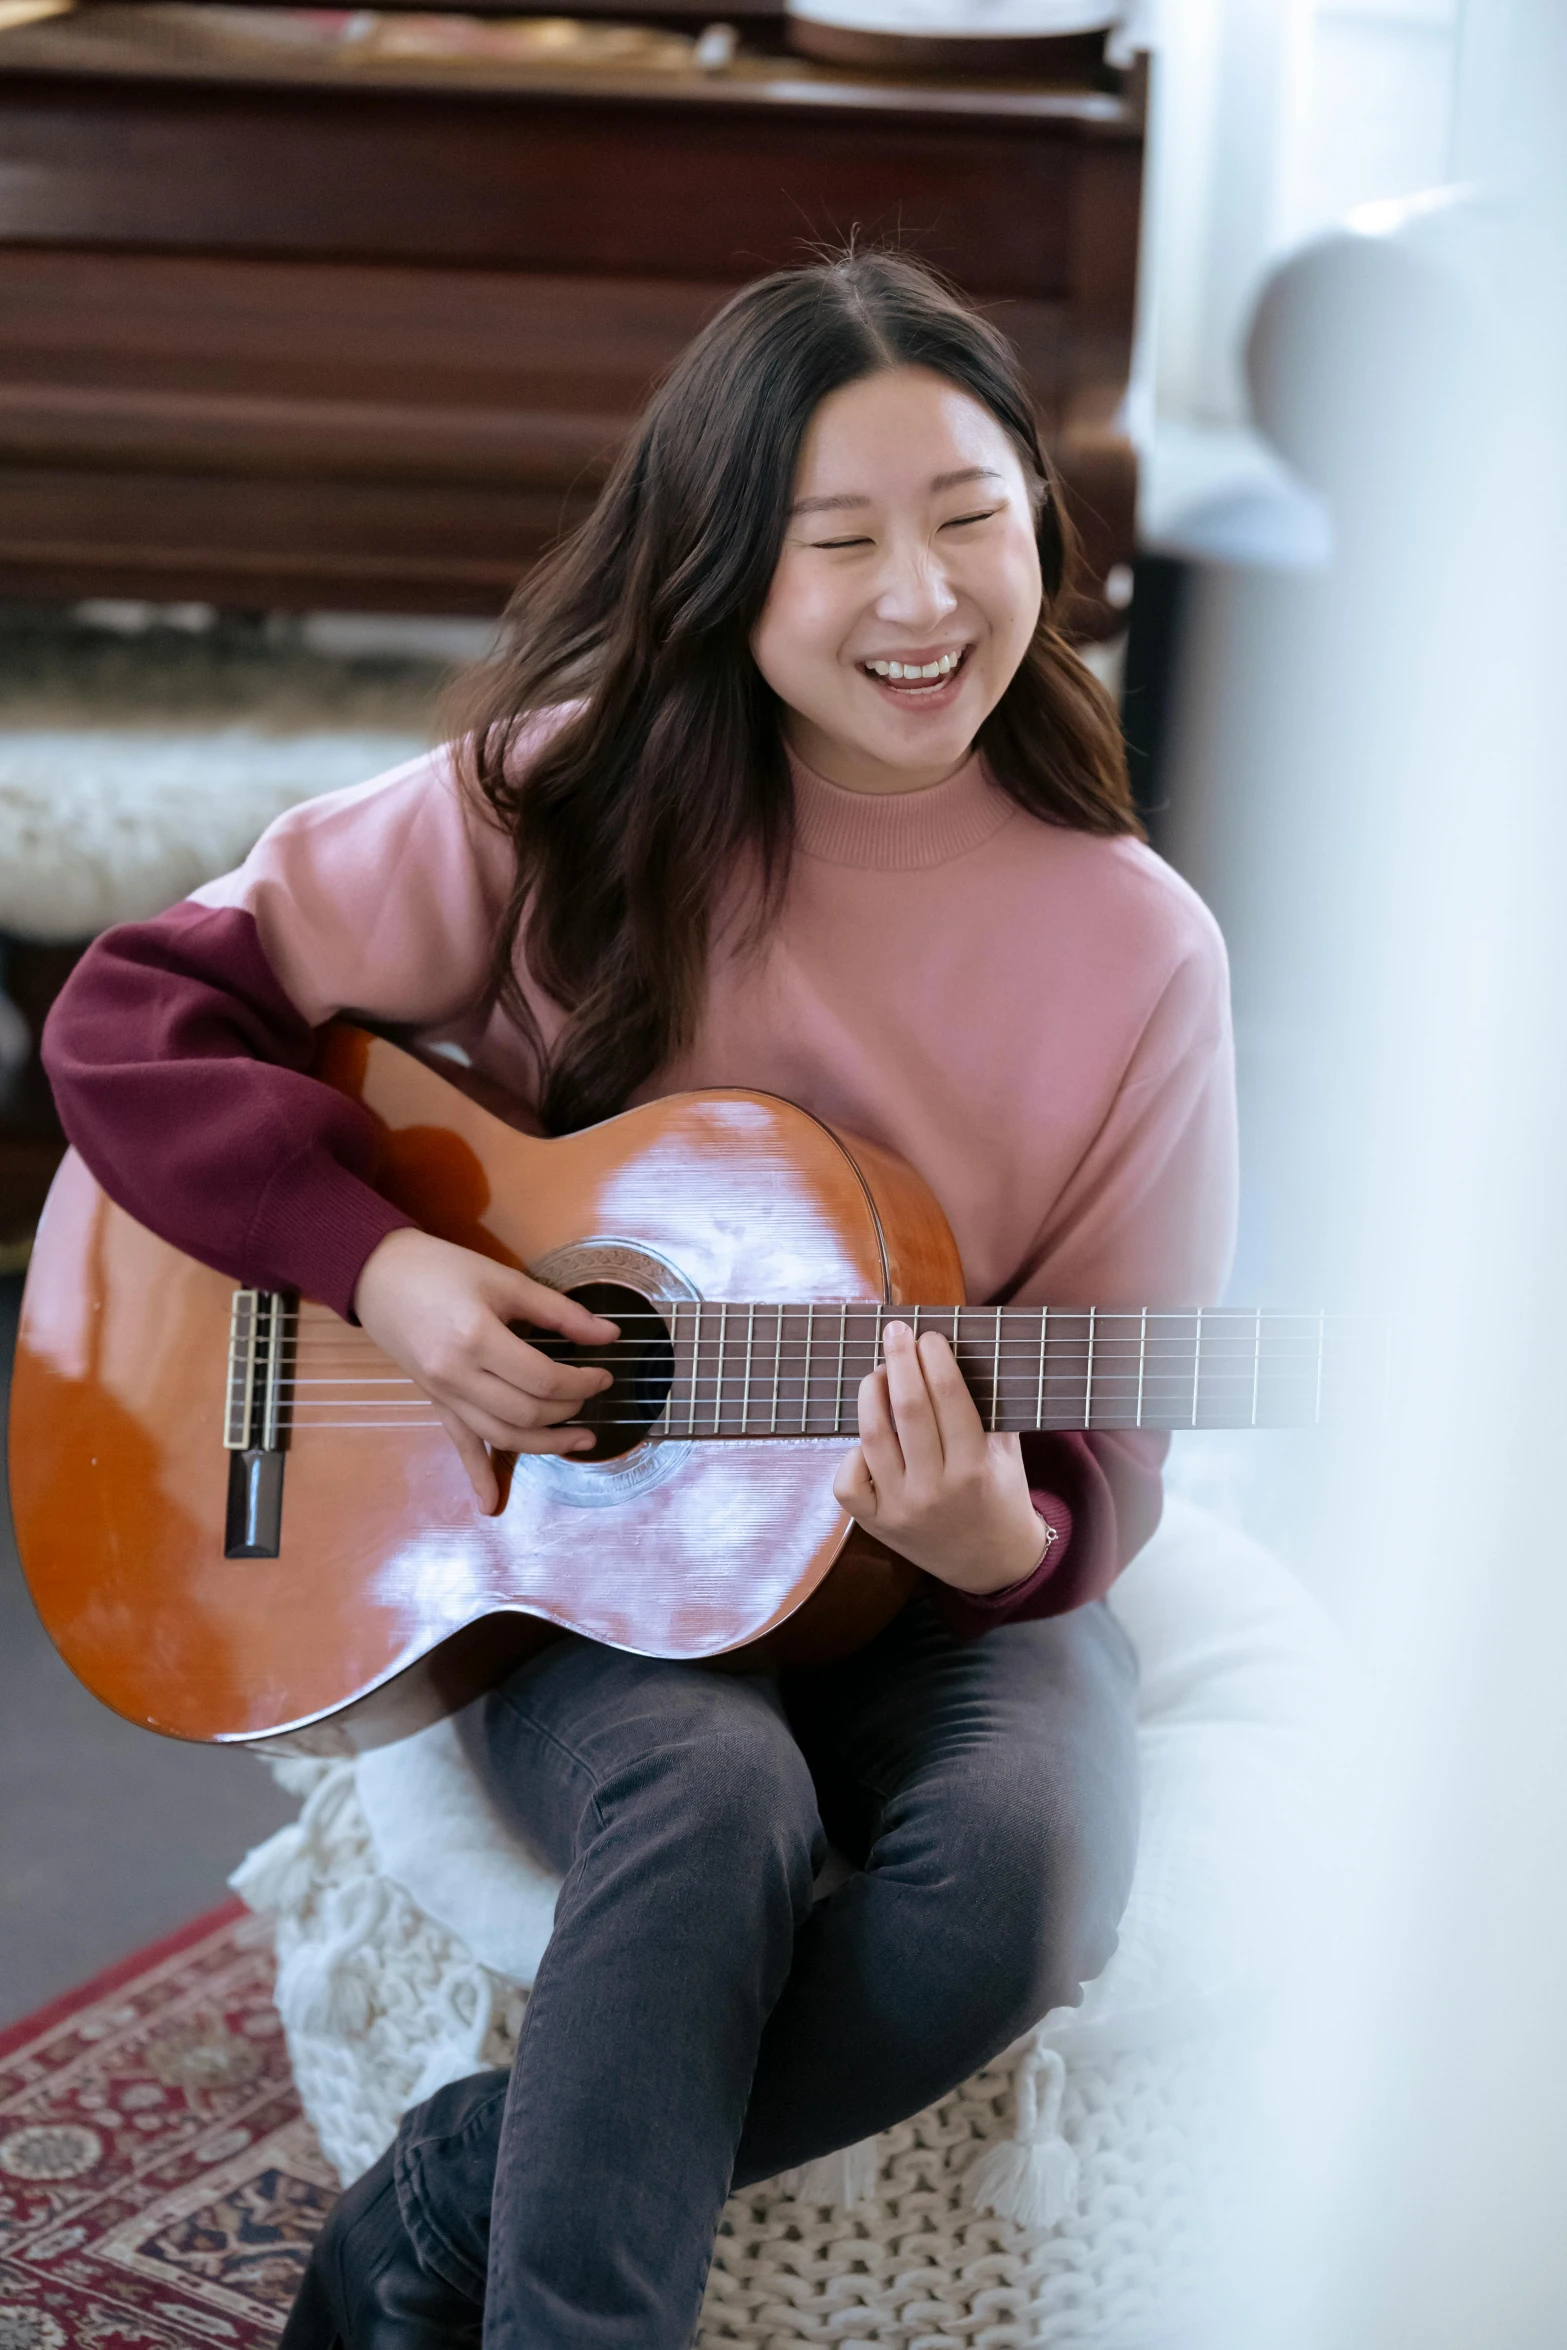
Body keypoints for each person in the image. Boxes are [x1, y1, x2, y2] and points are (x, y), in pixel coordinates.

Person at [42, 250, 1236, 2348]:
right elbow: (138, 1012)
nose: (923, 596)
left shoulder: (1141, 946)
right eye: (838, 539)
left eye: (970, 516)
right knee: (715, 1799)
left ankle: (455, 2189)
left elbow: (1109, 1438)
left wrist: (1004, 1533)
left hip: (923, 1590)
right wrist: (390, 1267)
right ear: (719, 571)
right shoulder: (569, 795)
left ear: (1045, 529)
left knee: (1022, 1869)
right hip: (567, 1554)